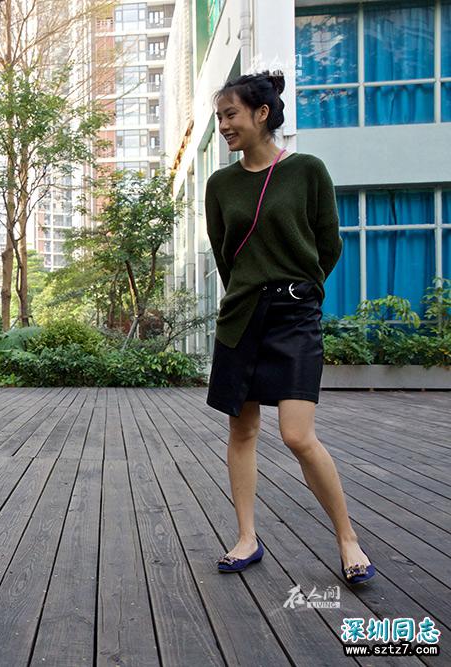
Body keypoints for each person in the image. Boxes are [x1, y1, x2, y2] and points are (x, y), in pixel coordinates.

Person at [204, 71, 374, 586]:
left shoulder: (307, 170)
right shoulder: (220, 185)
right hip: (241, 316)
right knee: (242, 428)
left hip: (295, 316)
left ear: (261, 114)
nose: (224, 126)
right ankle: (246, 537)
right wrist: (249, 292)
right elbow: (224, 254)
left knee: (298, 435)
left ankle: (348, 538)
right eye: (219, 118)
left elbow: (329, 244)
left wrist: (301, 290)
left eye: (230, 115)